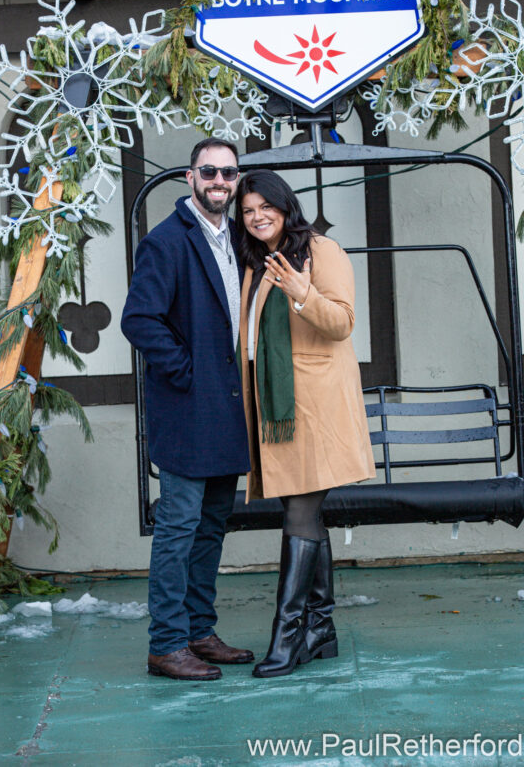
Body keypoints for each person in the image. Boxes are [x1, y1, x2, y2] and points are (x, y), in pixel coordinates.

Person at [121, 139, 254, 681]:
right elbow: (140, 320)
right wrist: (187, 372)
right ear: (189, 177)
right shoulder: (167, 241)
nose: (219, 180)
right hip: (187, 407)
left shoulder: (236, 238)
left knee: (211, 526)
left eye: (228, 172)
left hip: (227, 408)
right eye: (209, 171)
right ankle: (167, 643)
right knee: (178, 527)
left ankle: (199, 631)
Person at [235, 169, 376, 678]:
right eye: (247, 211)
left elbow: (341, 323)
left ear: (283, 205)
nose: (256, 218)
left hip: (316, 406)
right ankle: (320, 628)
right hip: (278, 406)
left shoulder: (321, 251)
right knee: (306, 517)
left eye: (264, 207)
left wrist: (301, 292)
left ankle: (288, 636)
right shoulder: (253, 261)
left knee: (298, 512)